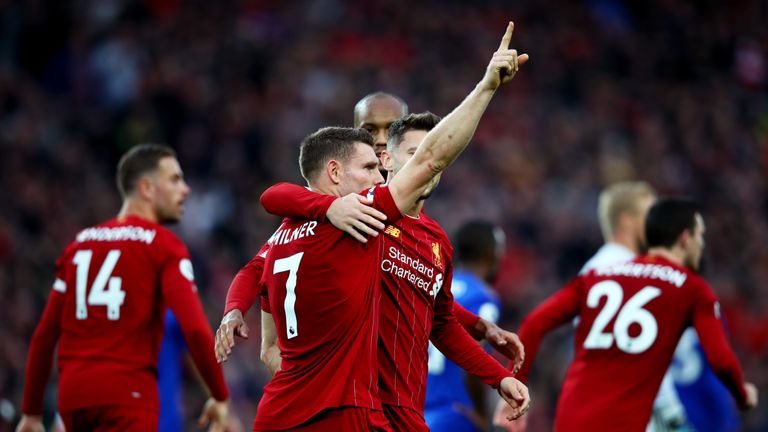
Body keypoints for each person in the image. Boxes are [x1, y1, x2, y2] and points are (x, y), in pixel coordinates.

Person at [219, 21, 531, 431]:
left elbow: (427, 306)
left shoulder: (430, 239)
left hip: (385, 410)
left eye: (389, 134)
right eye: (372, 140)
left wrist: (484, 339)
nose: (381, 148)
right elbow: (270, 215)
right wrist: (327, 208)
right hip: (354, 410)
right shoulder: (355, 218)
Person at [16, 144, 231, 432]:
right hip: (127, 399)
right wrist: (220, 395)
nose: (185, 190)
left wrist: (30, 413)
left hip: (73, 401)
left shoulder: (79, 245)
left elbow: (44, 336)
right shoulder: (164, 246)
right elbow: (193, 328)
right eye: (175, 180)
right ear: (147, 188)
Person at [509, 198, 759, 431]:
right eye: (700, 236)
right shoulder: (692, 289)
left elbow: (533, 323)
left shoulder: (599, 275)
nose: (701, 244)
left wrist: (514, 392)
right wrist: (742, 393)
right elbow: (721, 360)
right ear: (685, 238)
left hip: (573, 417)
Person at [424, 220, 506, 431]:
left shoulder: (437, 286)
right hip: (454, 412)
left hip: (414, 408)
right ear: (491, 254)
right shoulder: (483, 297)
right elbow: (475, 361)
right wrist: (480, 412)